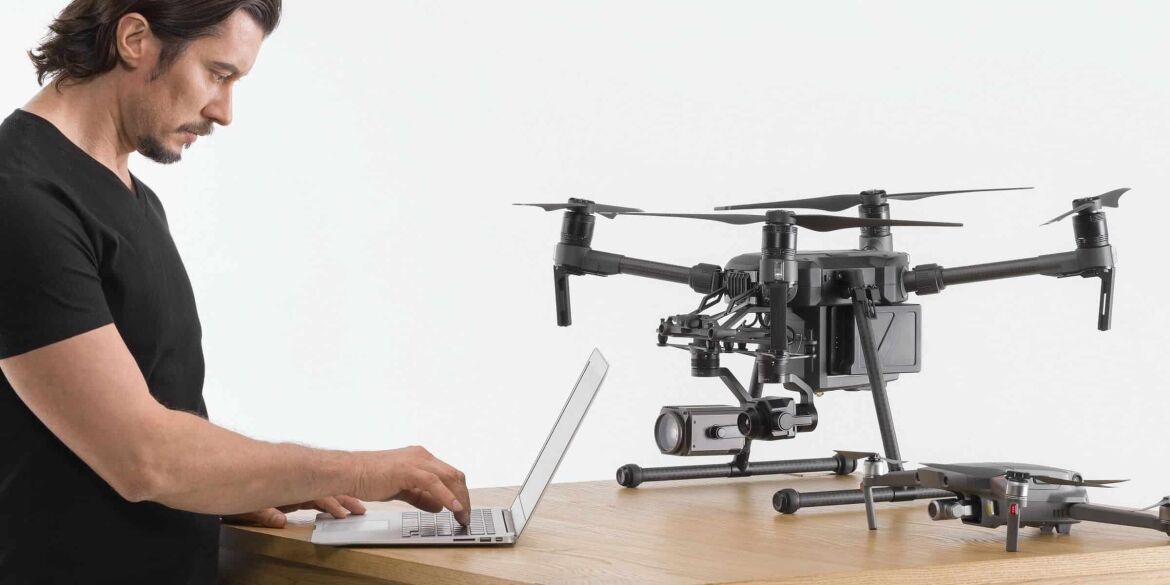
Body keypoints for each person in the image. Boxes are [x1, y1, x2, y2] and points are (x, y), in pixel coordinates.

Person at [0, 1, 470, 583]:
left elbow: (139, 428)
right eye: (218, 74)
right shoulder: (21, 197)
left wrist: (240, 485)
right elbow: (143, 458)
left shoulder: (131, 196)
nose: (223, 111)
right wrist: (354, 470)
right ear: (134, 38)